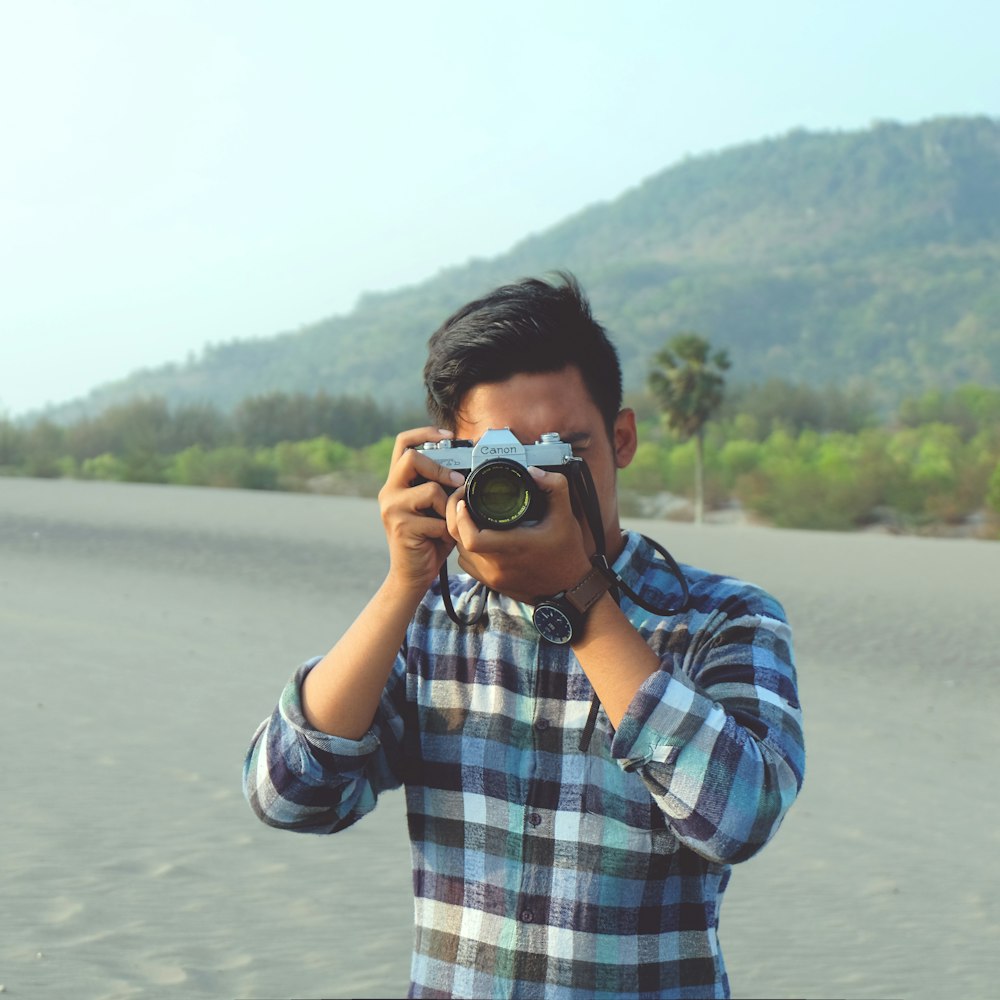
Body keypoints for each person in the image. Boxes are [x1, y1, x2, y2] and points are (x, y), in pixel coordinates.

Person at [243, 272, 805, 999]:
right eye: (508, 461)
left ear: (622, 438)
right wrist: (403, 586)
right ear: (454, 467)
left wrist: (579, 601)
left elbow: (739, 820)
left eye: (565, 450)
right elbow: (287, 793)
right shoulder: (432, 623)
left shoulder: (722, 618)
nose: (543, 484)